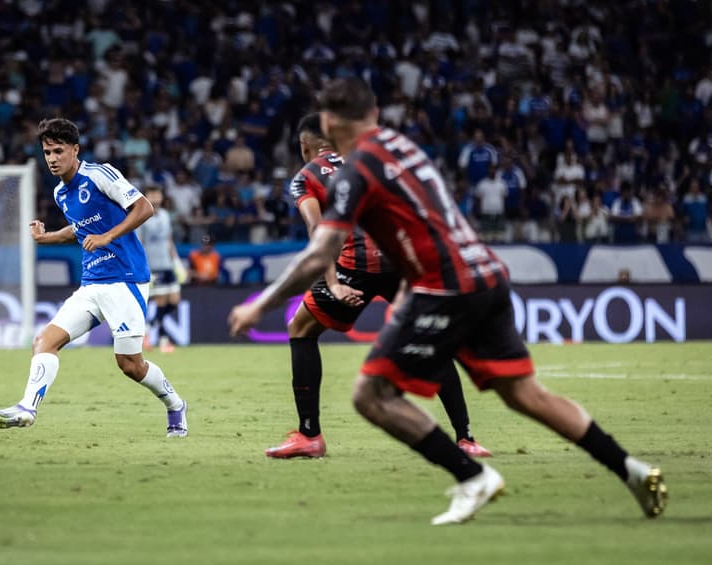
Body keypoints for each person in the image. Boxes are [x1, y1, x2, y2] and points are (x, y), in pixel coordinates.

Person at [228, 78, 666, 525]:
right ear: (375, 115)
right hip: (486, 272)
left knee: (372, 394)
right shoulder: (404, 146)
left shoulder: (353, 171)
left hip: (441, 285)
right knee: (526, 395)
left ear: (328, 123)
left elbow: (321, 251)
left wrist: (258, 306)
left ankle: (471, 476)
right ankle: (632, 470)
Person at [266, 112, 491, 459]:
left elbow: (318, 231)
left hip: (357, 263)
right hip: (403, 258)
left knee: (301, 327)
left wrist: (335, 282)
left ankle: (310, 435)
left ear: (304, 145)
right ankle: (466, 439)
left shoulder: (306, 176)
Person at [0, 118, 188, 438]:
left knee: (130, 365)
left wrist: (108, 235)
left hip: (126, 279)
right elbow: (80, 230)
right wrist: (47, 237)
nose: (52, 158)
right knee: (45, 342)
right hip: (92, 283)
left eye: (58, 151)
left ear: (75, 150)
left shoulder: (99, 174)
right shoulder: (60, 193)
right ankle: (27, 408)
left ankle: (176, 405)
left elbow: (144, 208)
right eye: (47, 151)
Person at [138, 185, 183, 353]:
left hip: (168, 265)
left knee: (174, 302)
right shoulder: (141, 217)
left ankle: (147, 330)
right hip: (154, 267)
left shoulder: (165, 215)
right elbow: (139, 245)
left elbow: (169, 240)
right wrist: (144, 269)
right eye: (152, 195)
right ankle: (164, 341)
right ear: (146, 197)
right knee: (162, 302)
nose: (156, 198)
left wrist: (176, 261)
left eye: (158, 194)